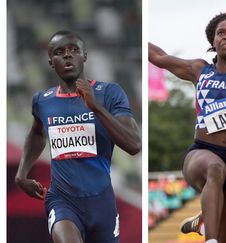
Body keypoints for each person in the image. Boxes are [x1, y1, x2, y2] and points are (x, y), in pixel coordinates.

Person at [149, 6, 226, 243]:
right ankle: (210, 239)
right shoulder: (199, 70)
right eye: (221, 32)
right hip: (203, 153)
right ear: (213, 41)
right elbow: (159, 57)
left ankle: (206, 216)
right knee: (215, 168)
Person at [15, 30, 141, 243]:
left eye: (74, 50)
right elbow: (37, 133)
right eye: (59, 52)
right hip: (62, 200)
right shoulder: (42, 101)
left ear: (84, 56)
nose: (67, 55)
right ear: (50, 61)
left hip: (101, 202)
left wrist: (95, 107)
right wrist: (21, 174)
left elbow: (134, 145)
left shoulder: (109, 93)